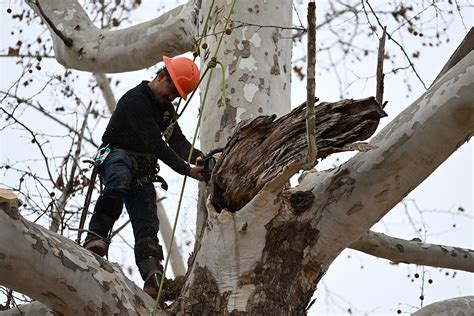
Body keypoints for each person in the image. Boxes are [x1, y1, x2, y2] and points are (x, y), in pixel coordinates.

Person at [83, 56, 205, 298]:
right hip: (117, 156)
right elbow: (155, 143)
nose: (170, 99)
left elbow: (176, 141)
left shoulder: (166, 111)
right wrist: (186, 170)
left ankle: (153, 278)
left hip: (143, 170)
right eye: (171, 91)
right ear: (161, 77)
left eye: (175, 97)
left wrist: (199, 158)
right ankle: (96, 236)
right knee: (118, 182)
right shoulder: (135, 100)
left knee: (148, 223)